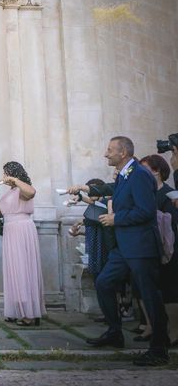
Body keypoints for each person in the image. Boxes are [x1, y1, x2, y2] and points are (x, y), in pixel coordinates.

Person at [83, 137, 169, 366]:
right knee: (104, 283)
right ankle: (114, 332)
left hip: (140, 246)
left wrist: (116, 218)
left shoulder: (140, 174)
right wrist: (88, 188)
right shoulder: (125, 174)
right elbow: (115, 190)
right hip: (123, 247)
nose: (105, 154)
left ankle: (159, 348)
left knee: (150, 296)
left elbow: (146, 211)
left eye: (110, 150)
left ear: (123, 153)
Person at [0, 161, 46, 326]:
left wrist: (15, 180)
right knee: (13, 270)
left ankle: (29, 313)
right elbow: (0, 212)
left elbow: (32, 192)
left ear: (13, 174)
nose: (3, 177)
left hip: (22, 230)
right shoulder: (10, 192)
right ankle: (16, 310)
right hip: (10, 230)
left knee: (23, 269)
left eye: (6, 173)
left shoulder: (23, 188)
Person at [140, 154, 178, 346]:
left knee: (169, 289)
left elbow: (171, 223)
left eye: (145, 169)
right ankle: (151, 326)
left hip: (169, 246)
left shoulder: (169, 194)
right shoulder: (146, 192)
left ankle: (174, 331)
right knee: (149, 288)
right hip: (149, 245)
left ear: (156, 171)